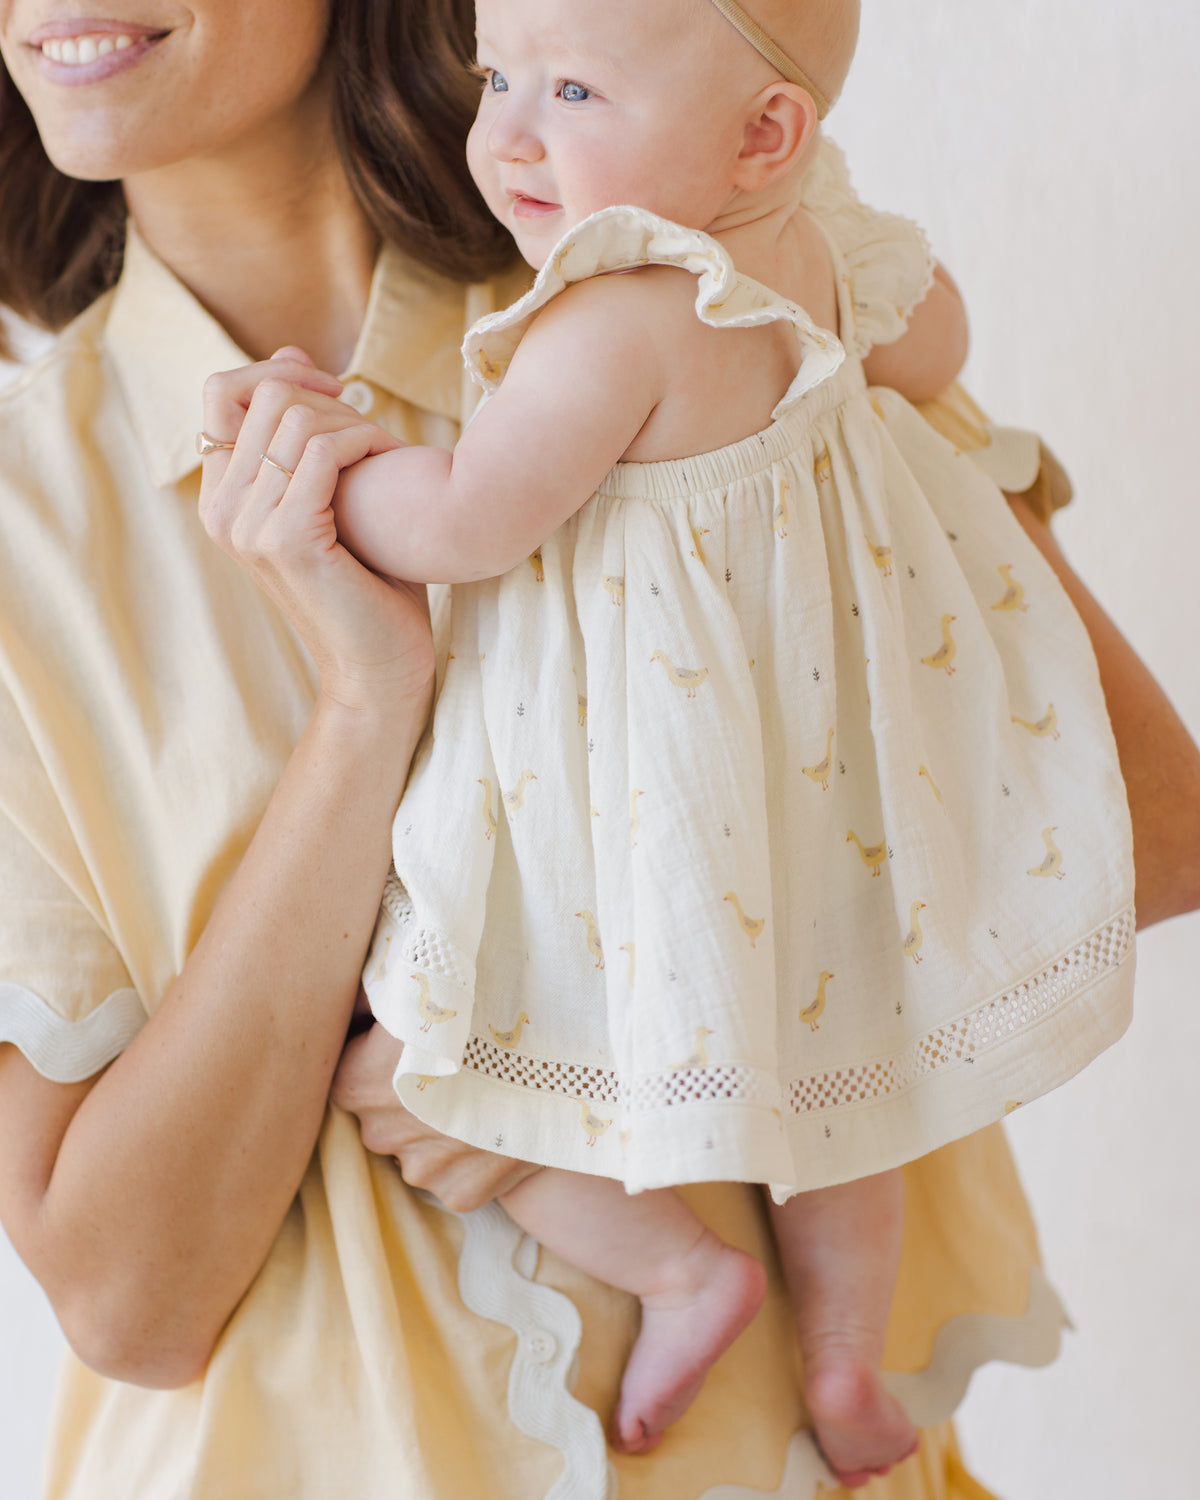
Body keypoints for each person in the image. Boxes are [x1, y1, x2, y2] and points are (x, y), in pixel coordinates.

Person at [0, 1, 1196, 1498]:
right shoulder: (20, 526)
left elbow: (1131, 825)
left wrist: (557, 1035)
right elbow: (129, 1297)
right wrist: (369, 716)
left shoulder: (701, 242)